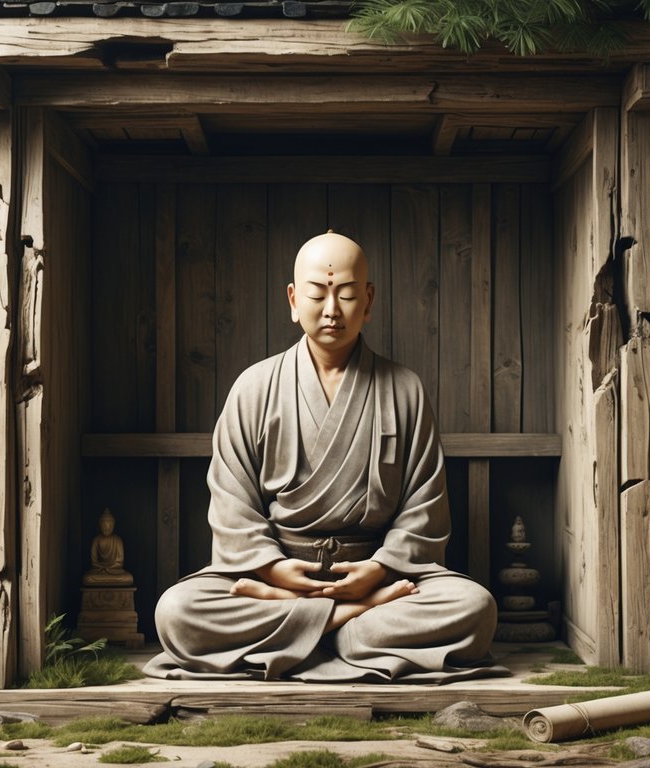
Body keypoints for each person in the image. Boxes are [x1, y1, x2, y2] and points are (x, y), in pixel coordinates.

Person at [145, 231, 500, 682]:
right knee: (177, 612)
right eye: (318, 293)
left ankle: (308, 625)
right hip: (275, 577)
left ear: (368, 301)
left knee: (476, 608)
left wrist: (376, 572)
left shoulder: (404, 389)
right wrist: (274, 569)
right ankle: (349, 621)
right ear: (293, 300)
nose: (332, 309)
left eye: (348, 294)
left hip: (382, 577)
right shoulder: (254, 388)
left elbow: (423, 511)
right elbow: (232, 506)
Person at [84, 508, 132, 585]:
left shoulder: (118, 540)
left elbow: (120, 561)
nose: (107, 528)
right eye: (104, 525)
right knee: (88, 578)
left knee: (128, 578)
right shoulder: (96, 540)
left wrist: (109, 567)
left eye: (110, 525)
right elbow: (94, 562)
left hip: (114, 571)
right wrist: (103, 567)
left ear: (113, 525)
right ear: (100, 526)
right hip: (100, 571)